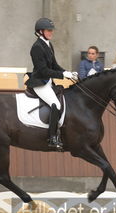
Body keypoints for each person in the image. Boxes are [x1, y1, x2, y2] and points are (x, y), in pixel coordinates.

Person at [25, 18, 78, 149]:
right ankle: (52, 137)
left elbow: (54, 65)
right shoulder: (36, 47)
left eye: (51, 30)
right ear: (40, 32)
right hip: (40, 83)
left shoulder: (48, 44)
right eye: (49, 30)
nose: (51, 32)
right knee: (55, 104)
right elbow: (43, 71)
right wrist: (62, 75)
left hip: (48, 82)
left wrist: (67, 72)